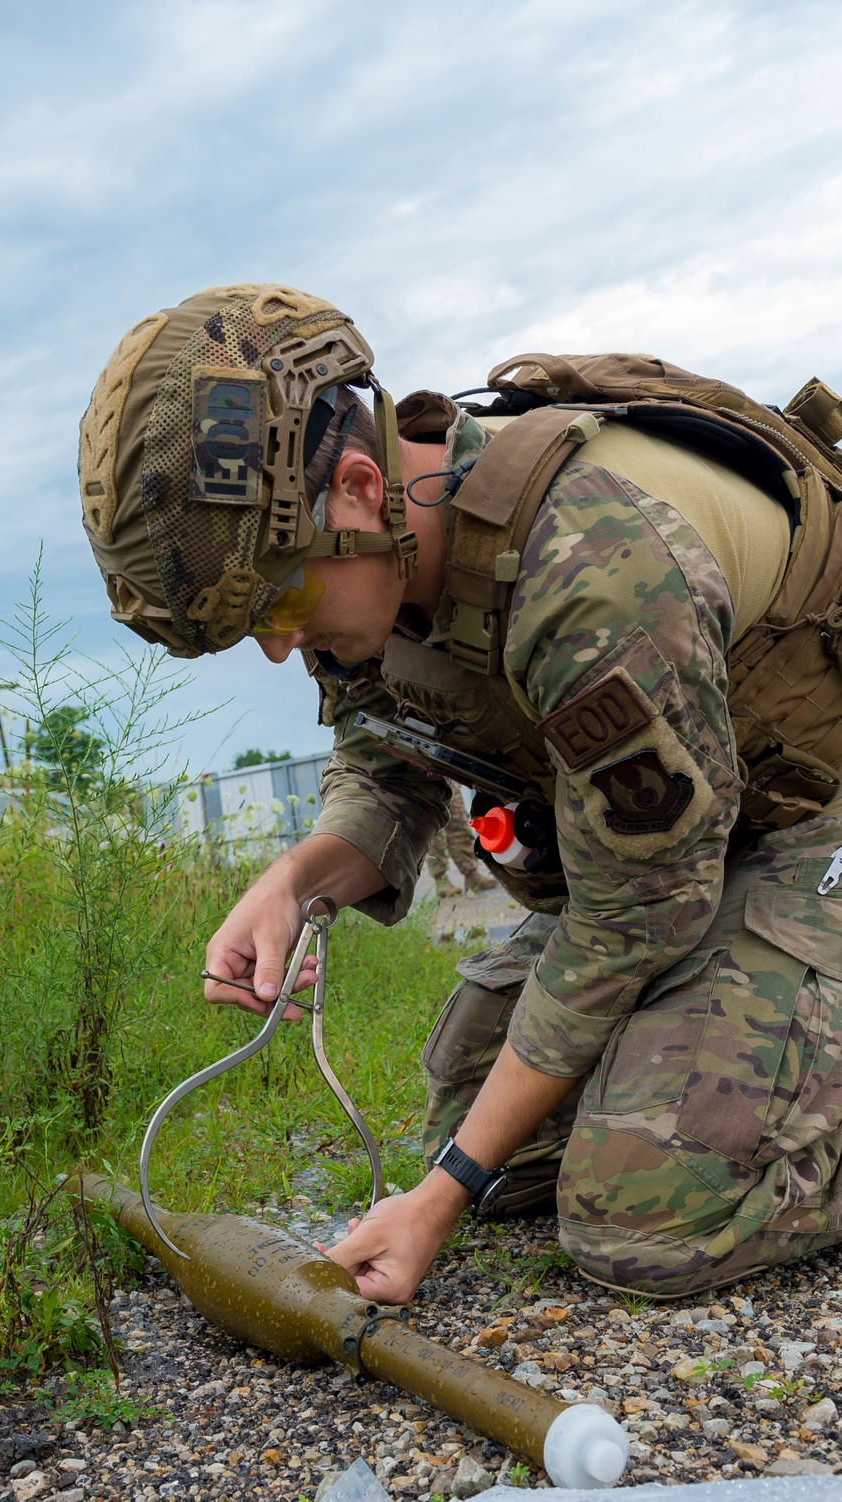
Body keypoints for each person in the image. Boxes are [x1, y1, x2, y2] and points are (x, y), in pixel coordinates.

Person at [80, 283, 842, 1305]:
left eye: (283, 600)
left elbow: (638, 906)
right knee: (487, 1129)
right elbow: (384, 762)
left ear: (358, 484)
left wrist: (440, 1192)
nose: (275, 645)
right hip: (698, 840)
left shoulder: (596, 573)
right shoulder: (365, 565)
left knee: (648, 1215)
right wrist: (299, 881)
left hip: (805, 822)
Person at [426, 791, 497, 899]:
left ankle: (471, 875)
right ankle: (441, 881)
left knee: (459, 822)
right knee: (434, 830)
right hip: (421, 780)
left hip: (447, 777)